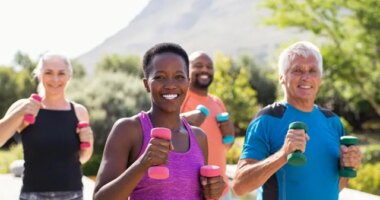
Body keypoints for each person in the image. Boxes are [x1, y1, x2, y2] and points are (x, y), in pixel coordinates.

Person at [93, 43, 225, 200]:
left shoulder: (199, 137)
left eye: (179, 77)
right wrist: (143, 163)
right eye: (160, 77)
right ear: (146, 84)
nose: (170, 85)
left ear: (187, 82)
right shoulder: (128, 130)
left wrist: (212, 193)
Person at [232, 41, 362, 200]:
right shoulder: (267, 119)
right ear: (281, 77)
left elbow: (335, 186)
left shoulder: (332, 122)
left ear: (320, 79)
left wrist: (347, 165)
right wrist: (283, 154)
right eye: (297, 70)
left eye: (312, 70)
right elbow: (239, 186)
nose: (306, 77)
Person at [0, 52, 94, 199]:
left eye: (61, 73)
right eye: (48, 72)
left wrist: (88, 142)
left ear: (69, 76)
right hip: (33, 195)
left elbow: (82, 158)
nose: (55, 79)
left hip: (72, 195)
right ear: (39, 75)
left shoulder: (79, 112)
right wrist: (19, 113)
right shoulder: (24, 107)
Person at [180, 51, 235, 199]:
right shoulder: (179, 99)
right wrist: (184, 121)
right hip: (193, 192)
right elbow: (165, 131)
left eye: (209, 66)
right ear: (186, 70)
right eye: (198, 65)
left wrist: (231, 134)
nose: (205, 70)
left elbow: (224, 146)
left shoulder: (217, 102)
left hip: (222, 190)